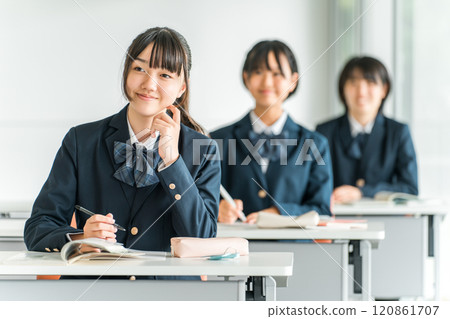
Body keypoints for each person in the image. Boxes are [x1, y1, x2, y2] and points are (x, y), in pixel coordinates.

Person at [24, 27, 220, 255]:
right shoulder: (80, 141)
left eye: (164, 75)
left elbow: (203, 239)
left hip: (170, 289)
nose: (149, 84)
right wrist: (81, 238)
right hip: (98, 285)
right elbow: (38, 228)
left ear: (181, 88)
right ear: (126, 73)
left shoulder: (202, 150)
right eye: (139, 69)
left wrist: (173, 163)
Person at [210, 40, 332, 224]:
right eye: (258, 72)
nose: (267, 81)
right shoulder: (217, 140)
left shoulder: (315, 143)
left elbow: (322, 210)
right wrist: (217, 210)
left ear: (293, 81)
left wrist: (280, 213)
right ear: (246, 78)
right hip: (235, 248)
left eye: (277, 73)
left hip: (295, 249)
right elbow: (199, 201)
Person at [316, 56, 418, 204]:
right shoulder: (323, 132)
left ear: (384, 89)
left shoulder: (399, 132)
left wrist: (363, 192)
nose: (361, 92)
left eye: (370, 82)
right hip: (335, 219)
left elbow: (410, 188)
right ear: (343, 89)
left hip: (387, 220)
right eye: (353, 83)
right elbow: (310, 183)